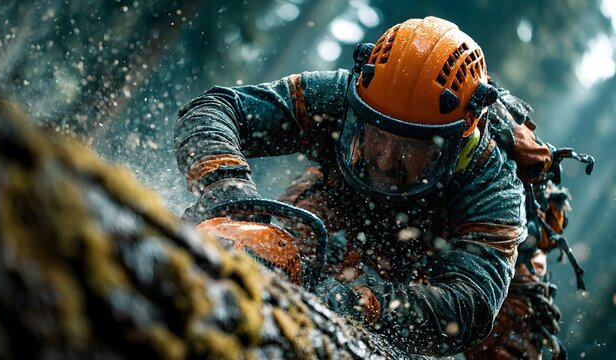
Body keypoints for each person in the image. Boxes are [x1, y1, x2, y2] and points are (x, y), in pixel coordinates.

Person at [174, 16, 526, 356]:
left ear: (459, 140)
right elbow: (216, 109)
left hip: (441, 257)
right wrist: (229, 192)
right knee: (281, 255)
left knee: (510, 342)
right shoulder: (340, 94)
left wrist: (357, 304)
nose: (387, 160)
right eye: (376, 134)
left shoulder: (492, 186)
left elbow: (470, 306)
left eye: (412, 146)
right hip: (339, 202)